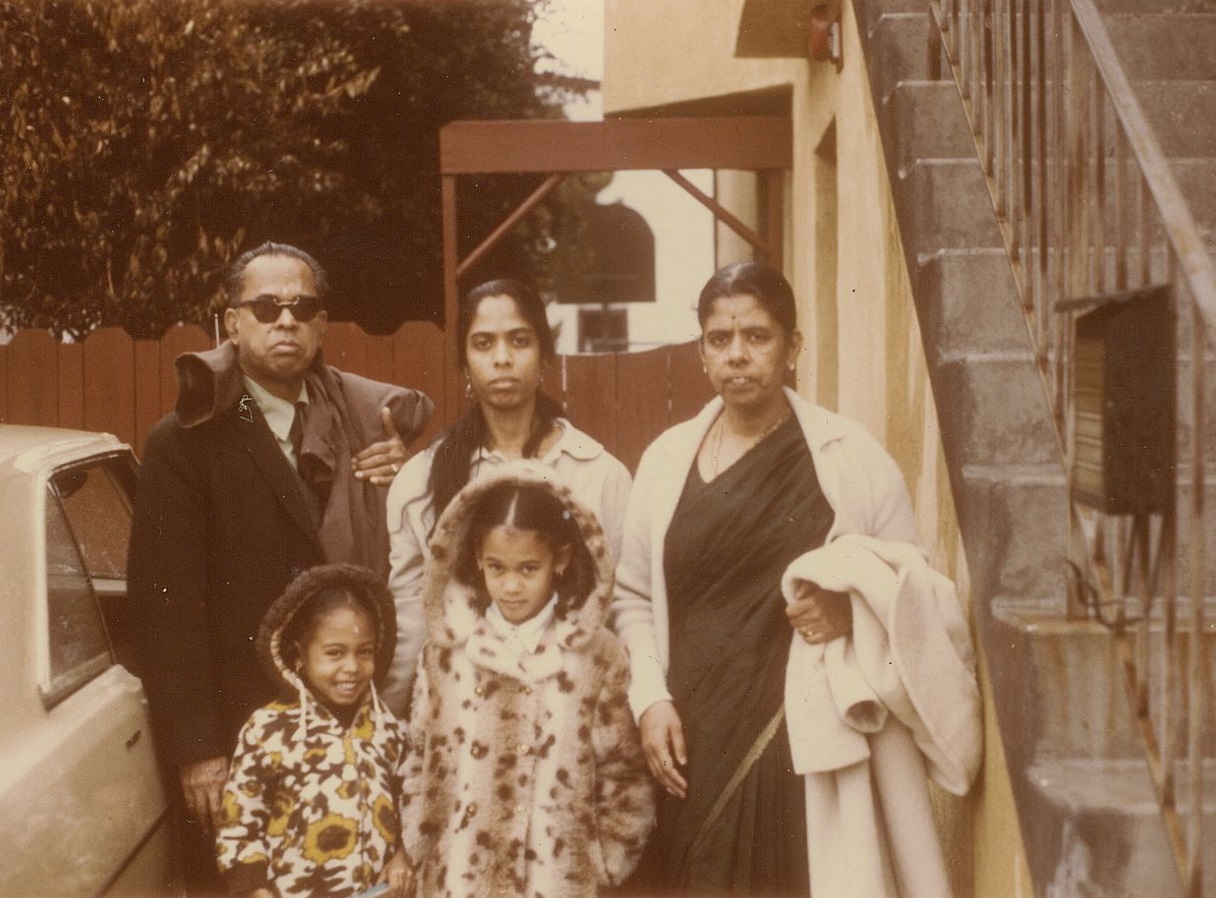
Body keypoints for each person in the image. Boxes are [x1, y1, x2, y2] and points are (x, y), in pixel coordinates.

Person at [611, 261, 981, 896]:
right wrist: (649, 699)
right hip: (691, 733)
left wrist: (852, 611)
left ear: (791, 347)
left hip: (802, 736)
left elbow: (913, 583)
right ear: (701, 351)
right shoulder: (666, 459)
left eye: (757, 336)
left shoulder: (850, 456)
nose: (738, 356)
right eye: (719, 340)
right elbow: (634, 595)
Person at [127, 242, 432, 891]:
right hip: (241, 746)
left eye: (303, 307)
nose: (285, 321)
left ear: (322, 325)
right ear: (231, 323)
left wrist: (402, 478)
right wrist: (200, 752)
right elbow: (167, 612)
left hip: (349, 738)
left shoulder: (358, 426)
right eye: (266, 307)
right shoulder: (186, 441)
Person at [398, 462, 654, 897]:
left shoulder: (596, 657)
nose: (511, 586)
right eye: (497, 568)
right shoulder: (446, 653)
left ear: (561, 559)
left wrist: (604, 861)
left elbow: (623, 772)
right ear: (477, 557)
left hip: (555, 881)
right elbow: (420, 757)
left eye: (528, 569)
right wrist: (418, 840)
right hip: (456, 879)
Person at [383, 278, 631, 714]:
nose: (502, 359)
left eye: (519, 341)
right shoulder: (420, 482)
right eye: (482, 344)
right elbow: (411, 620)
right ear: (463, 362)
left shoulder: (597, 474)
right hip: (463, 725)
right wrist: (389, 723)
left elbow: (621, 610)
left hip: (570, 720)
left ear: (545, 355)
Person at [216, 564, 411, 898]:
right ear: (299, 655)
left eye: (364, 652)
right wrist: (254, 889)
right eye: (334, 653)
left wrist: (401, 855)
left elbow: (410, 809)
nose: (351, 667)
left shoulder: (389, 730)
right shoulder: (267, 730)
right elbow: (239, 825)